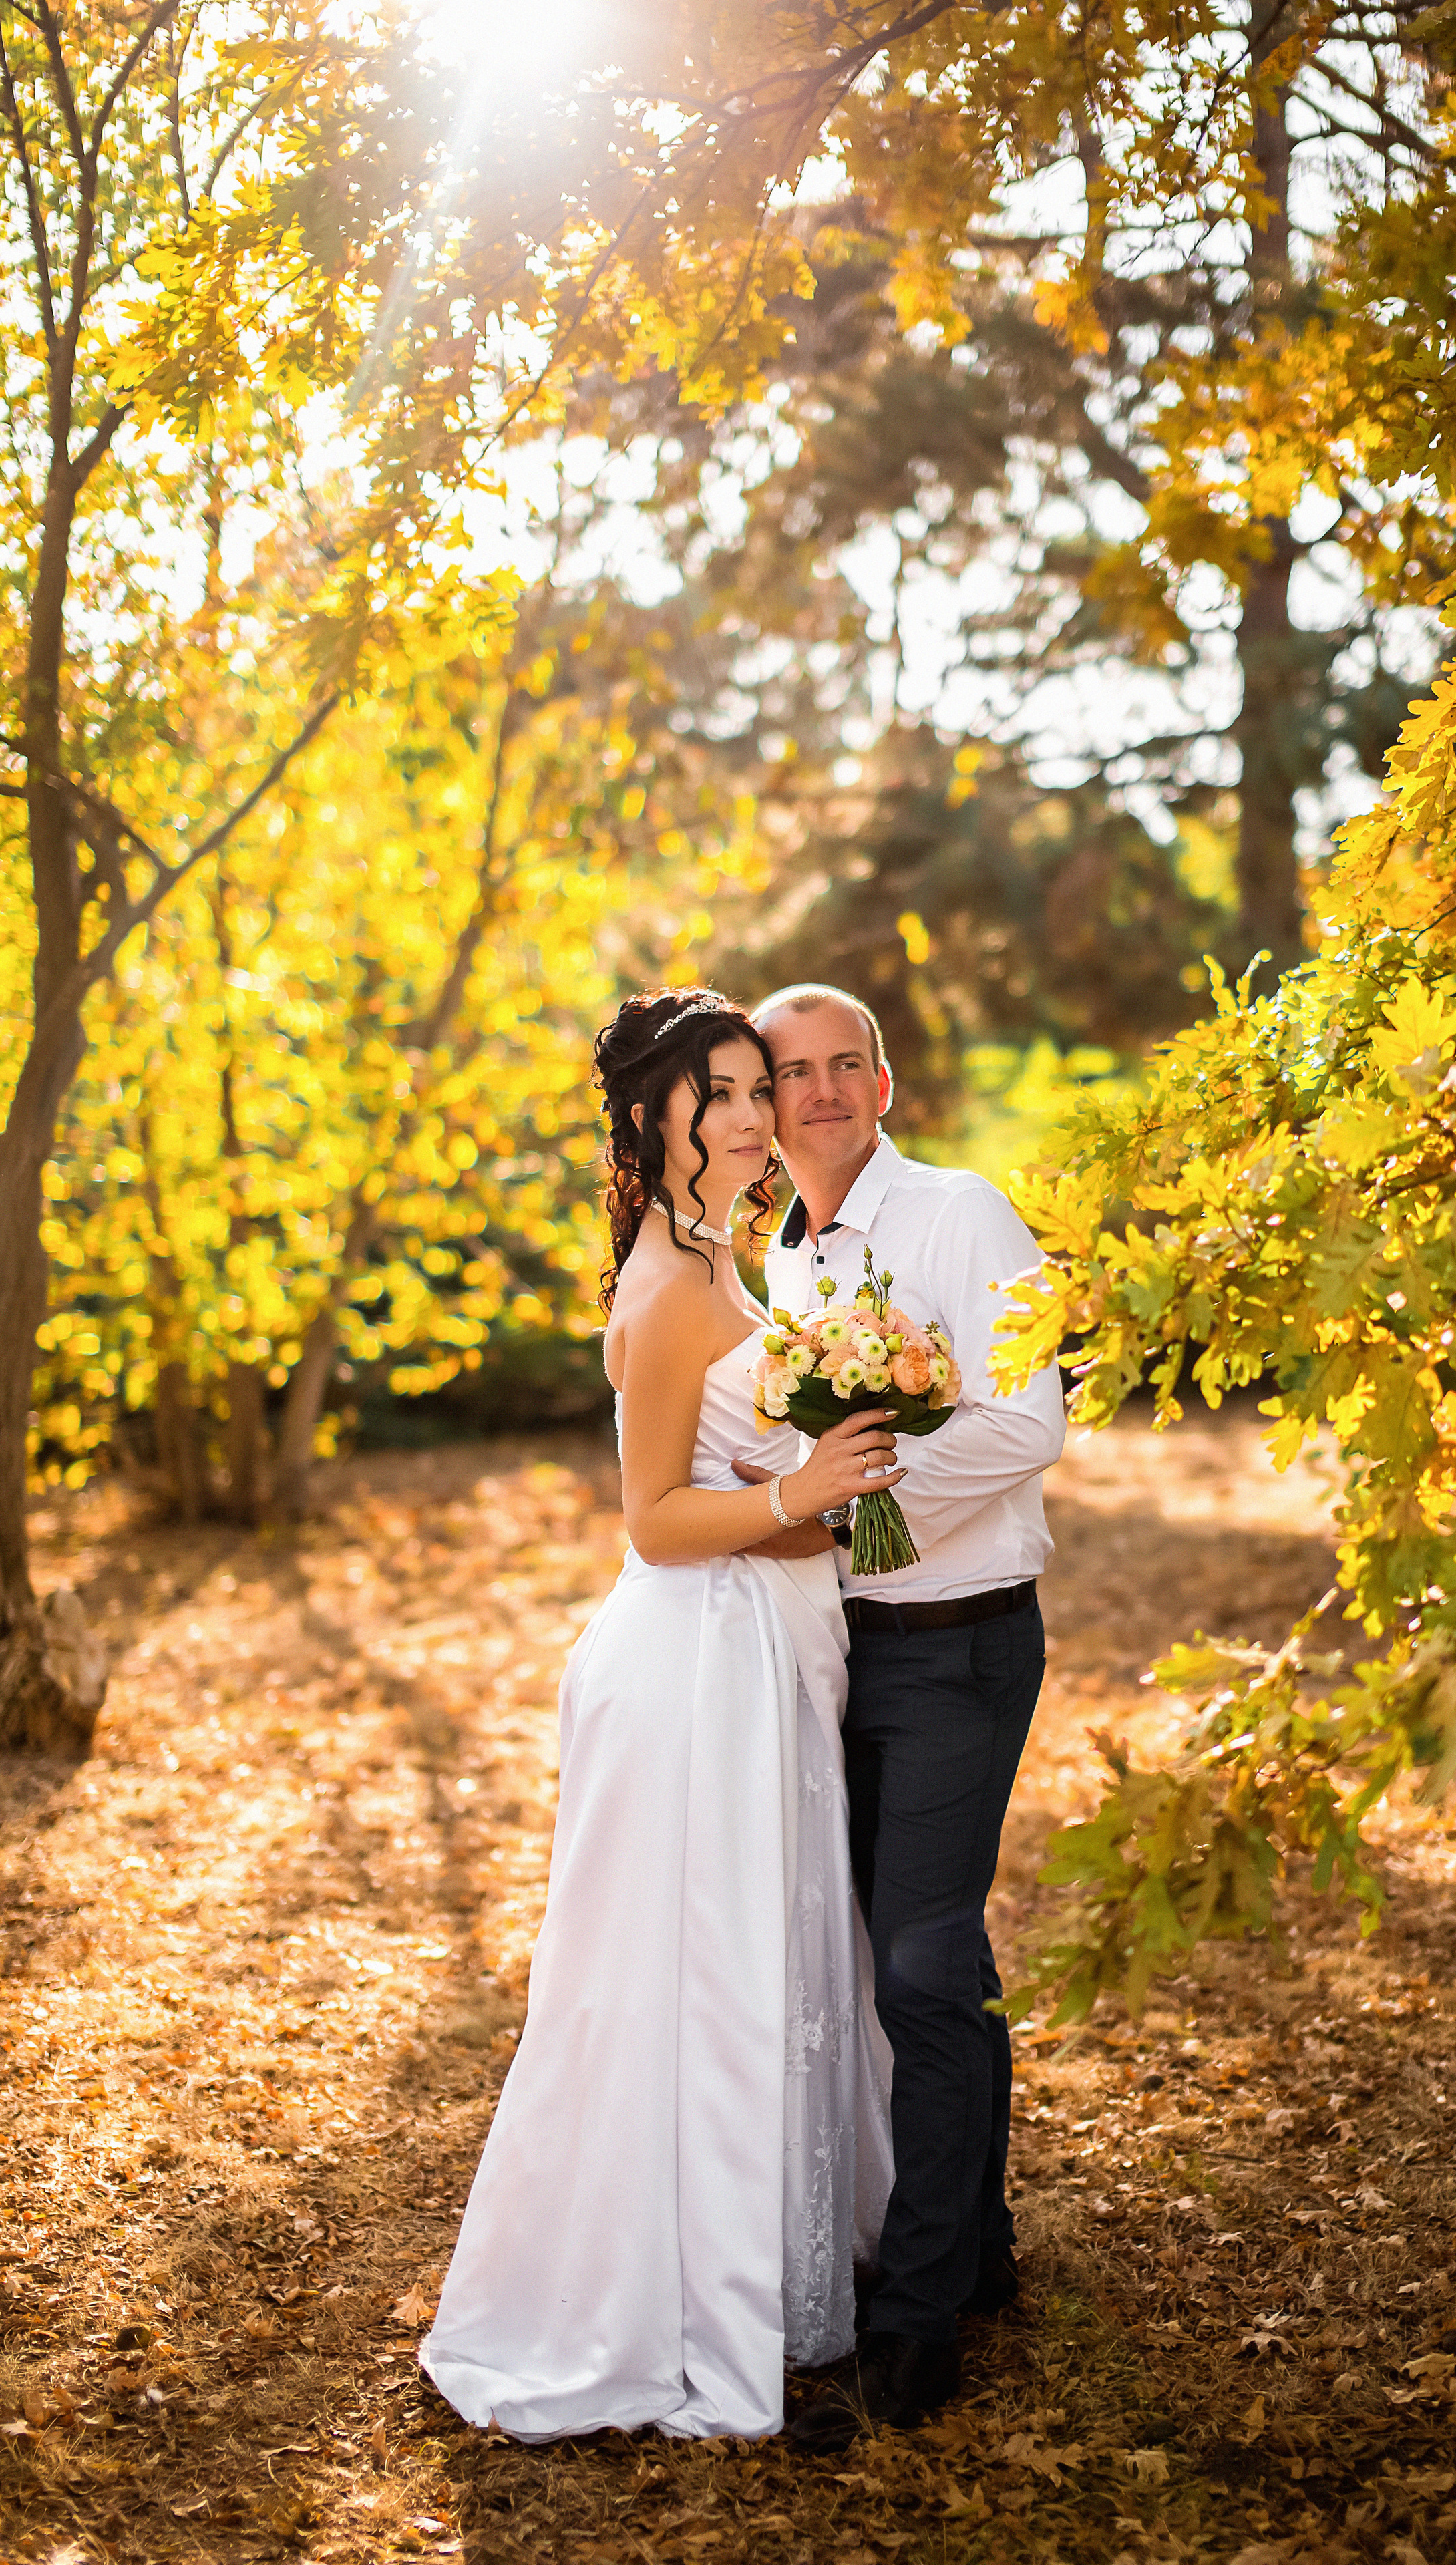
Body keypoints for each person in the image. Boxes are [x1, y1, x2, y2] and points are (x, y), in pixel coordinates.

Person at [420, 989, 895, 2442]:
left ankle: (765, 2274)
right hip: (689, 1669)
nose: (753, 1116)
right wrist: (797, 1496)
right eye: (721, 1095)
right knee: (689, 1991)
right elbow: (650, 1521)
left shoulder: (716, 1253)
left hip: (752, 1650)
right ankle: (657, 2305)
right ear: (651, 1118)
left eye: (760, 1090)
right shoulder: (672, 1287)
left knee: (757, 1974)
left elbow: (734, 1491)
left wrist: (818, 1512)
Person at [751, 982, 1066, 2455]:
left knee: (923, 1972)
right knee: (904, 1960)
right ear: (763, 1101)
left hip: (954, 1652)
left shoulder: (959, 1211)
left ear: (884, 1081)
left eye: (839, 1067)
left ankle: (917, 2308)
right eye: (787, 1072)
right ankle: (980, 2242)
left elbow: (1029, 1417)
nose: (815, 1093)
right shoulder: (774, 1256)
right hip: (831, 1664)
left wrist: (862, 1512)